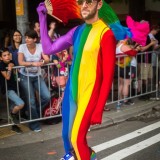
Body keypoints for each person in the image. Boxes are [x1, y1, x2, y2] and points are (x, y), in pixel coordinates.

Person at [37, 0, 116, 159]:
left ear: (99, 5)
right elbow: (48, 49)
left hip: (89, 93)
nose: (84, 5)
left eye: (89, 1)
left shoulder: (106, 33)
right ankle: (87, 155)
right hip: (72, 92)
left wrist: (99, 107)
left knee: (77, 139)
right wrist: (42, 18)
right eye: (81, 2)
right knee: (67, 136)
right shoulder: (77, 30)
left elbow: (108, 75)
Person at [18, 30, 50, 132]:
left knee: (47, 96)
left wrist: (42, 61)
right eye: (26, 37)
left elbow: (47, 59)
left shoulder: (40, 46)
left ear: (35, 39)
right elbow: (20, 62)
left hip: (37, 75)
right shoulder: (22, 47)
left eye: (29, 37)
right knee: (31, 100)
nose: (26, 39)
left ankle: (32, 114)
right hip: (25, 76)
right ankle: (34, 124)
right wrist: (33, 64)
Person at [0, 48, 24, 133]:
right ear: (1, 58)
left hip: (14, 87)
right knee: (20, 104)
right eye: (4, 55)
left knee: (13, 106)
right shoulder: (1, 65)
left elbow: (16, 71)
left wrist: (12, 66)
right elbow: (7, 77)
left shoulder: (12, 61)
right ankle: (12, 114)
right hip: (8, 90)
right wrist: (10, 68)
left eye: (8, 54)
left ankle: (14, 126)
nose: (7, 57)